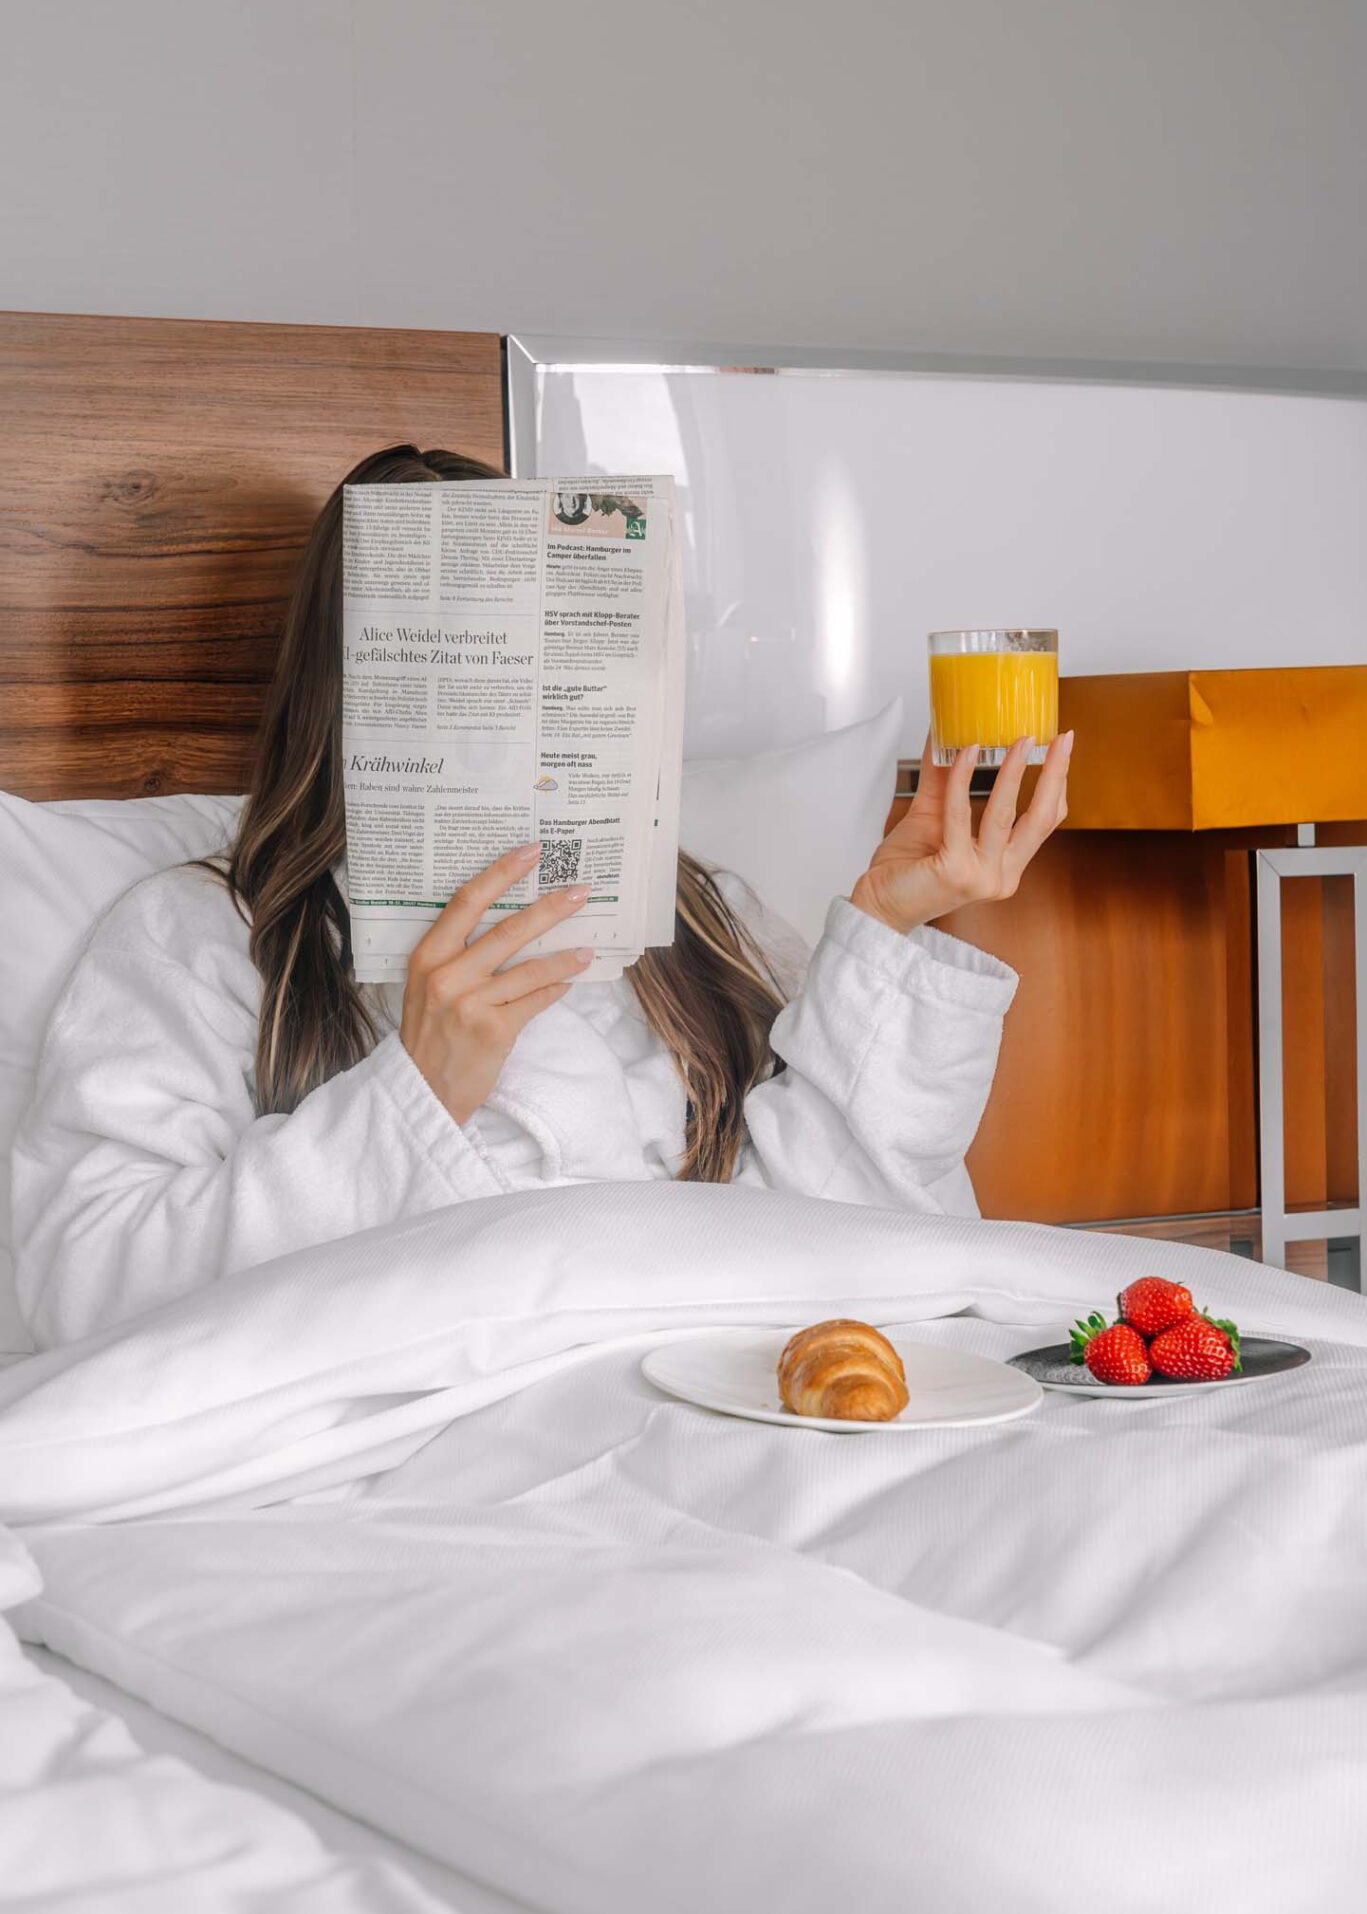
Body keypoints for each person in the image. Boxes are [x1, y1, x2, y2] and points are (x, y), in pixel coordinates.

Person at [12, 445, 1072, 1348]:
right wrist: (411, 1099)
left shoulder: (696, 915)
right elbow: (84, 1287)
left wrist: (888, 923)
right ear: (354, 677)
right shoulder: (208, 940)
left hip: (720, 1388)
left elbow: (839, 1240)